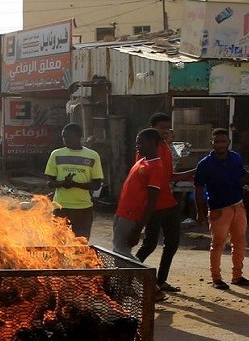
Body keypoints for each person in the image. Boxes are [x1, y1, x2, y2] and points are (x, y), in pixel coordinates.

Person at [194, 128, 249, 290]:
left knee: (240, 242)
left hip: (237, 205)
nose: (220, 144)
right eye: (217, 142)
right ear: (211, 143)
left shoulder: (236, 158)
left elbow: (242, 174)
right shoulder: (204, 164)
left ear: (229, 142)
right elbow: (198, 189)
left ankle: (237, 276)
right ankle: (216, 278)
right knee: (218, 243)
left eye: (223, 141)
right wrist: (200, 212)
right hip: (218, 208)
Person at [134, 112, 194, 293]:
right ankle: (129, 275)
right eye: (162, 128)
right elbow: (144, 177)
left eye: (168, 127)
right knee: (150, 244)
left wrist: (193, 172)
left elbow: (168, 176)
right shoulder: (146, 150)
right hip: (154, 204)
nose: (166, 131)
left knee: (172, 243)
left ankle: (161, 280)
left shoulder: (166, 147)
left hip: (168, 202)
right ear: (153, 128)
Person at [44, 123, 104, 240]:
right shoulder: (56, 154)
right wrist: (63, 183)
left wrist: (75, 184)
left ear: (79, 136)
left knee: (81, 244)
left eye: (68, 137)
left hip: (83, 209)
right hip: (60, 207)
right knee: (58, 244)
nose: (65, 140)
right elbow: (49, 183)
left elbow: (96, 185)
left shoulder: (92, 156)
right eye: (63, 137)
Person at [112, 128, 165, 260]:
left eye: (140, 143)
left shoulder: (156, 167)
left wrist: (137, 229)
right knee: (119, 250)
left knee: (120, 253)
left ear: (151, 143)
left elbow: (151, 202)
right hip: (122, 212)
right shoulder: (141, 161)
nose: (137, 146)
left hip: (131, 215)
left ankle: (137, 272)